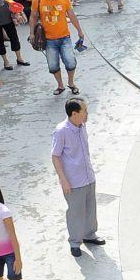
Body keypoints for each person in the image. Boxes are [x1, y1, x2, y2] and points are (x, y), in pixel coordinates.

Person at [51, 99, 104, 259]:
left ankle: (90, 234)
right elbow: (55, 156)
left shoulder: (82, 126)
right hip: (73, 180)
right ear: (74, 114)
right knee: (75, 212)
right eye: (84, 111)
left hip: (88, 176)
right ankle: (75, 242)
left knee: (90, 207)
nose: (87, 114)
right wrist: (63, 180)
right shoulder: (61, 131)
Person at [32, 0, 85, 93]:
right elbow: (33, 17)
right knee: (53, 65)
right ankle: (60, 85)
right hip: (48, 40)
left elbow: (71, 15)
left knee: (70, 62)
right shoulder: (37, 0)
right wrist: (32, 33)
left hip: (65, 37)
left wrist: (79, 31)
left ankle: (71, 83)